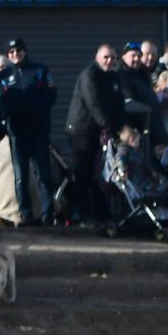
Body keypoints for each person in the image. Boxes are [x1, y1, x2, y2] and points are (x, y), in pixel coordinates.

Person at [0, 38, 55, 226]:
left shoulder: (40, 70)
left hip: (38, 131)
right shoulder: (3, 76)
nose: (15, 55)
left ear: (25, 51)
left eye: (18, 51)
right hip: (17, 133)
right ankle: (25, 214)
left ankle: (48, 214)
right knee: (21, 176)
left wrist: (33, 111)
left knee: (43, 175)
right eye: (11, 52)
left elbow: (51, 96)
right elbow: (0, 102)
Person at [65, 46, 124, 222]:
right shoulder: (89, 75)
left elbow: (118, 102)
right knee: (84, 171)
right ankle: (82, 213)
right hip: (81, 130)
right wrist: (107, 125)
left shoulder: (113, 77)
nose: (109, 61)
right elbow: (93, 104)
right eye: (106, 57)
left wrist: (118, 126)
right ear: (97, 57)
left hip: (100, 130)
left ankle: (101, 212)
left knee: (102, 172)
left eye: (113, 58)